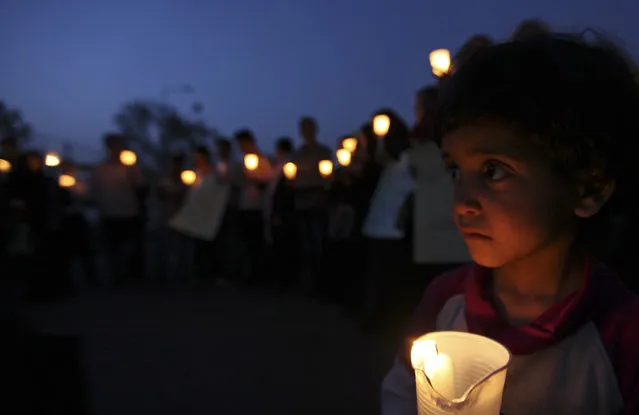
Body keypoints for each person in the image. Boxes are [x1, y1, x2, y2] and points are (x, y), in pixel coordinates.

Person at [381, 34, 639, 414]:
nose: (462, 202)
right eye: (455, 170)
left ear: (588, 188)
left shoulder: (622, 330)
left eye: (493, 170)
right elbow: (403, 391)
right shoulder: (445, 302)